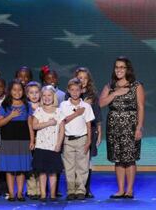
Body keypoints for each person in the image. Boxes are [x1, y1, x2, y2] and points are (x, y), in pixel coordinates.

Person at [99, 56, 145, 199]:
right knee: (118, 159)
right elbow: (100, 104)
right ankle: (120, 190)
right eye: (116, 67)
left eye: (122, 67)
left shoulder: (136, 86)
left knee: (129, 158)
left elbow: (141, 107)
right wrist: (114, 94)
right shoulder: (109, 86)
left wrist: (139, 127)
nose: (118, 70)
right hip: (113, 127)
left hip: (130, 126)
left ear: (127, 69)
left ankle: (129, 190)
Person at [0, 80, 33, 201]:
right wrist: (11, 116)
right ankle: (12, 193)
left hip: (23, 141)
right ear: (10, 91)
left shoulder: (27, 106)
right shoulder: (5, 105)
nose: (17, 92)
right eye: (14, 90)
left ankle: (20, 193)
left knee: (21, 168)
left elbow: (30, 124)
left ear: (23, 91)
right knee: (10, 168)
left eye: (19, 90)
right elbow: (0, 123)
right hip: (8, 141)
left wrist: (32, 140)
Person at [59, 78, 95, 201]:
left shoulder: (86, 106)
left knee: (83, 166)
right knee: (69, 167)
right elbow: (63, 121)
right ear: (68, 90)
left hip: (82, 139)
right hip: (68, 140)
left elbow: (89, 124)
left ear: (81, 90)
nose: (75, 92)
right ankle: (71, 190)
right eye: (72, 90)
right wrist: (77, 113)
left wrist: (89, 140)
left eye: (77, 90)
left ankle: (80, 190)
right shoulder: (64, 105)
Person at [32, 86, 64, 202]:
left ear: (53, 97)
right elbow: (34, 125)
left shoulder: (59, 111)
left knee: (53, 172)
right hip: (41, 146)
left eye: (49, 95)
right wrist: (49, 123)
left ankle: (53, 194)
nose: (46, 98)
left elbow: (62, 130)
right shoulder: (39, 110)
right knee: (42, 171)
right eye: (44, 95)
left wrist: (59, 145)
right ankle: (43, 194)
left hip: (53, 147)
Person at [74, 67, 102, 198]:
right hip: (75, 131)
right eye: (80, 78)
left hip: (90, 131)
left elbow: (97, 115)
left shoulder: (92, 96)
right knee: (76, 161)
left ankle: (86, 188)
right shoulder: (72, 94)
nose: (83, 81)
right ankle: (76, 188)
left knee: (87, 161)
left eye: (85, 78)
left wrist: (99, 132)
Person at [25, 81, 42, 200]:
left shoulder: (44, 105)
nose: (34, 95)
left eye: (36, 92)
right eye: (31, 93)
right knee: (30, 165)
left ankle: (41, 189)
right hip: (29, 139)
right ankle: (31, 189)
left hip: (42, 139)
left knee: (40, 164)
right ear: (27, 94)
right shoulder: (26, 107)